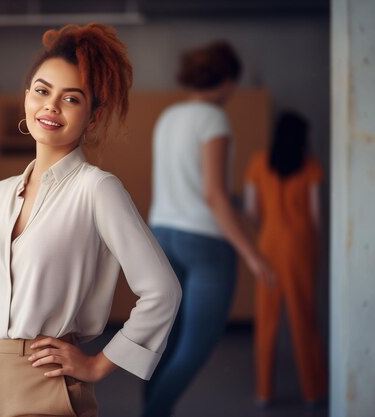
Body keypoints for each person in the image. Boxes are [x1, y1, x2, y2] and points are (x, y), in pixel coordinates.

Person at [0, 23, 182, 417]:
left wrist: (98, 364)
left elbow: (163, 290)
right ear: (26, 97)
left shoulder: (97, 190)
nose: (51, 106)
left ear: (93, 117)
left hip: (46, 382)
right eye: (42, 91)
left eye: (71, 99)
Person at [143, 40, 275, 416]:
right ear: (228, 80)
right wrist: (253, 256)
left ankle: (154, 411)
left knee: (162, 346)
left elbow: (190, 186)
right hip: (204, 244)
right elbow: (213, 197)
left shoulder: (168, 117)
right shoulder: (214, 119)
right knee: (194, 347)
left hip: (162, 236)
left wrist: (234, 203)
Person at [244, 110, 327, 407]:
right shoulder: (312, 167)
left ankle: (263, 392)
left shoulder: (258, 163)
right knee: (303, 317)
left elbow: (252, 211)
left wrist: (266, 231)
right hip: (301, 245)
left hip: (269, 243)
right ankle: (313, 390)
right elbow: (316, 217)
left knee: (267, 319)